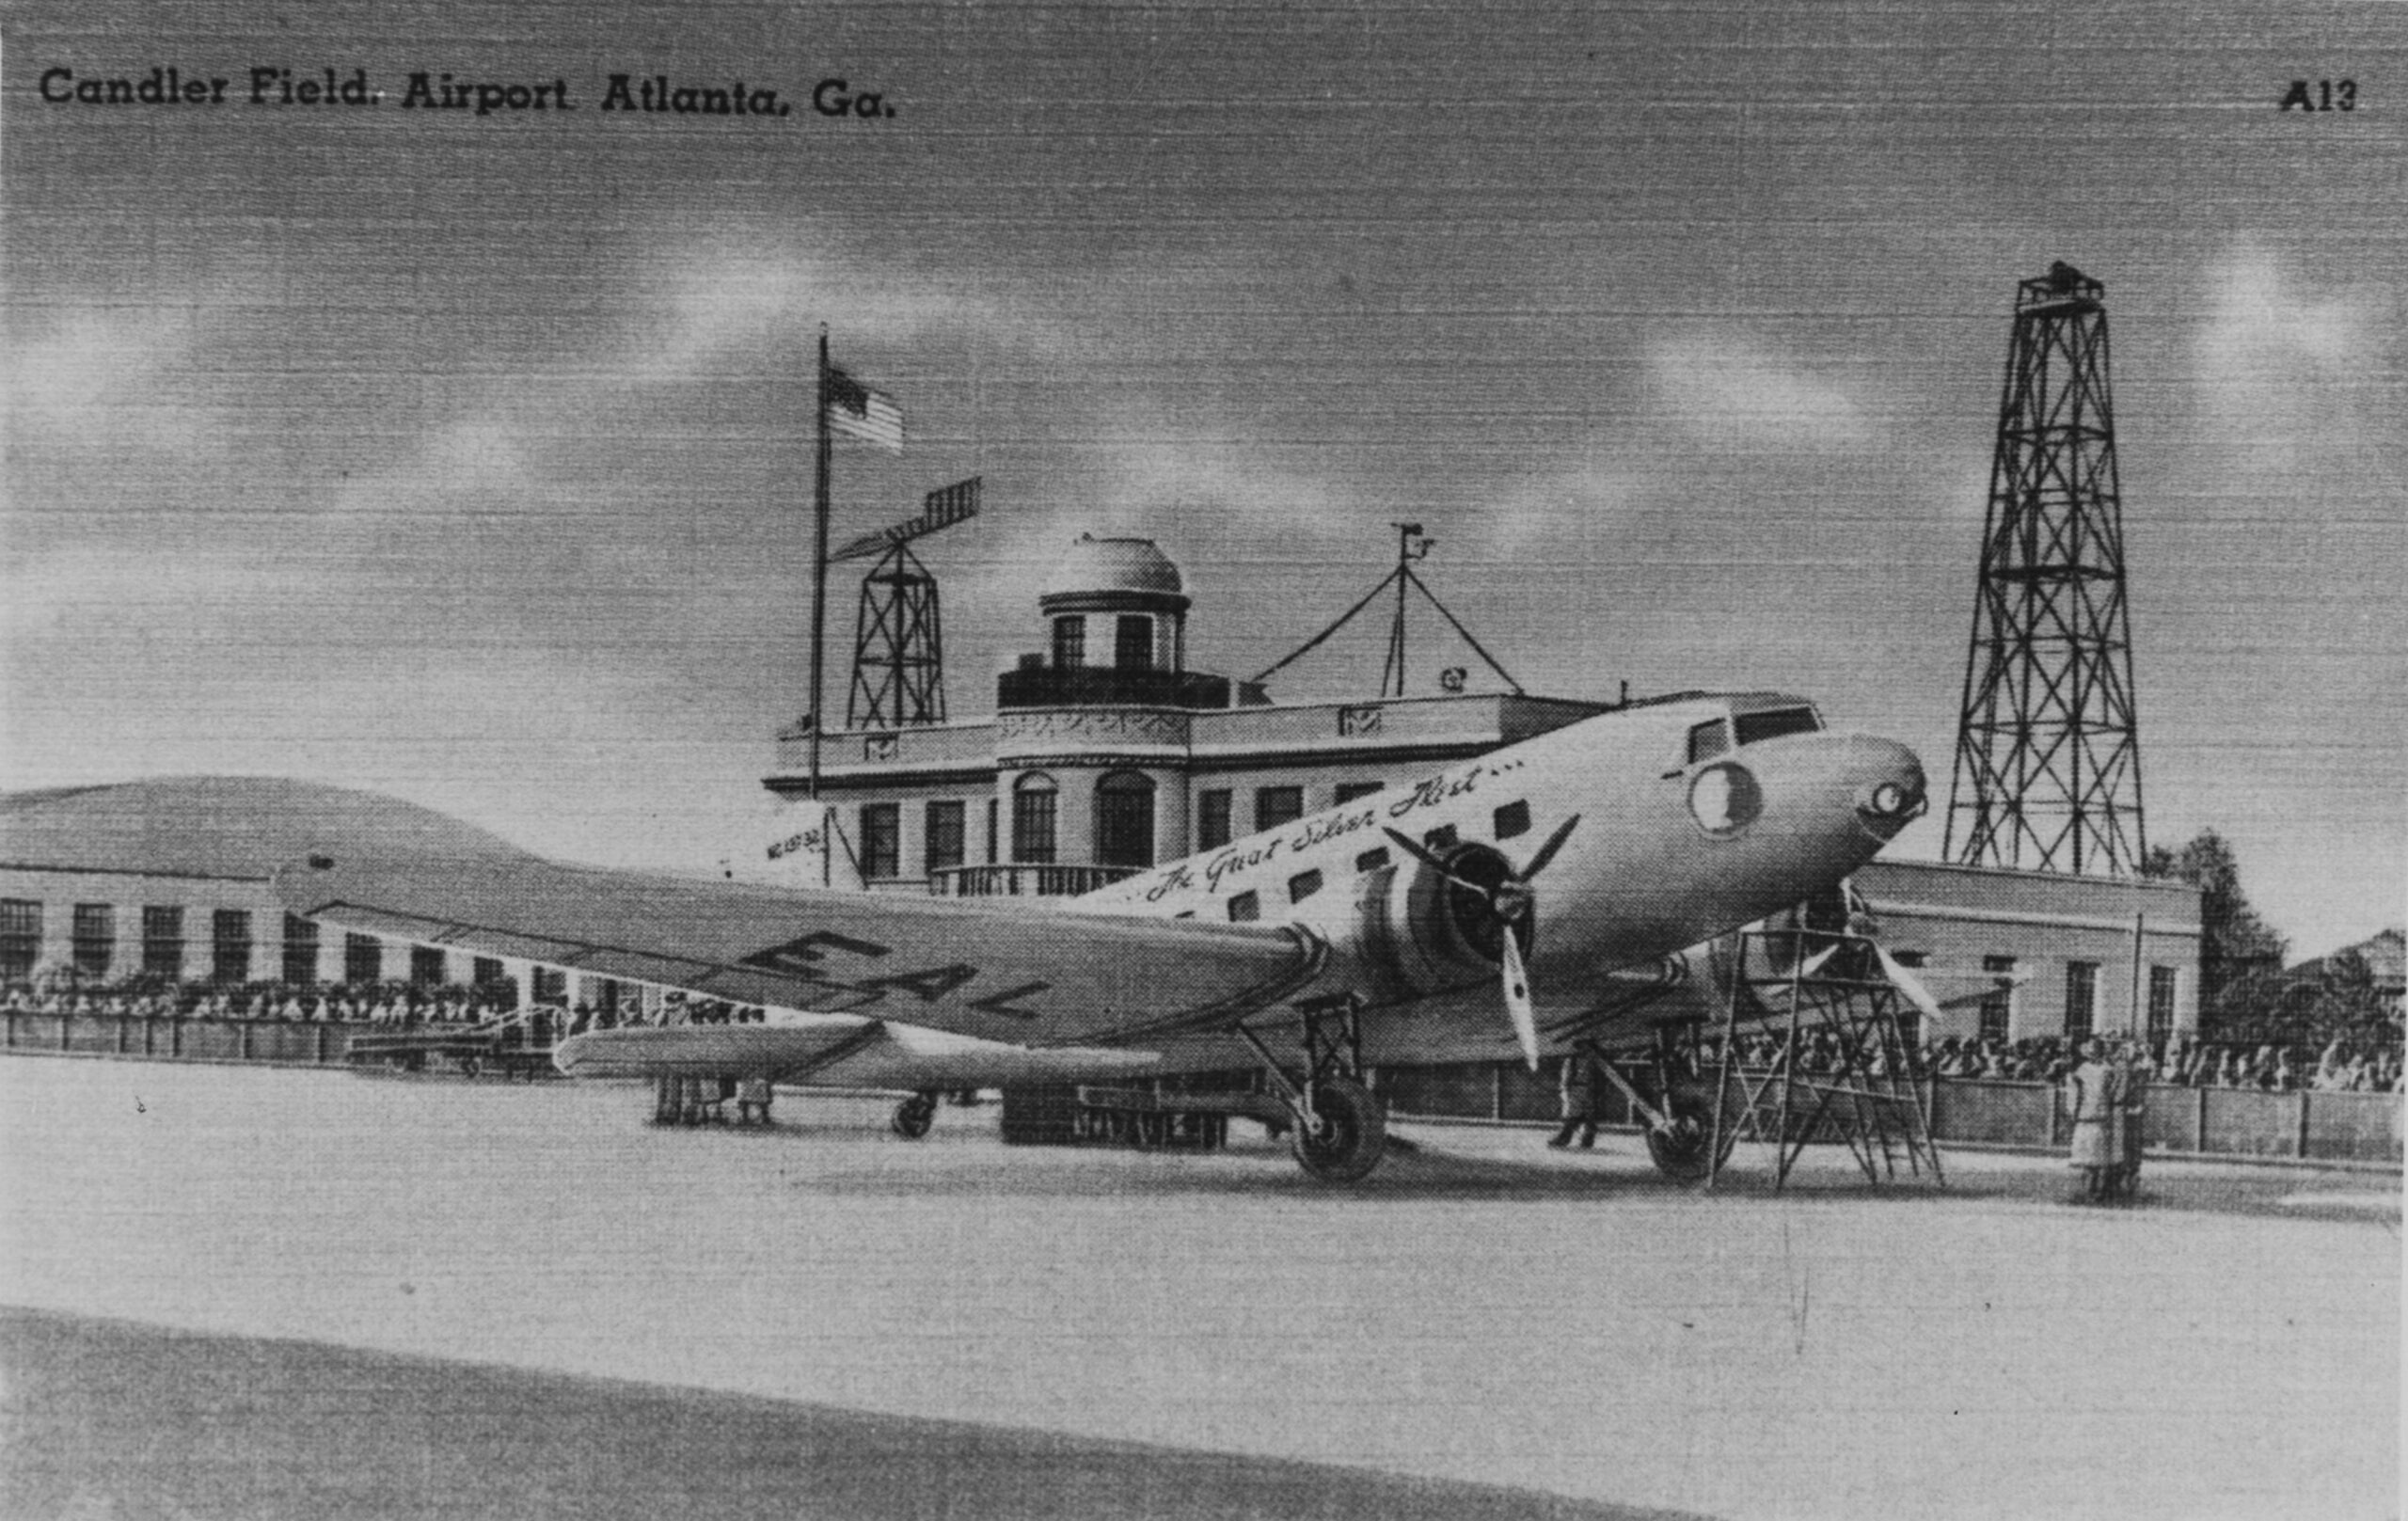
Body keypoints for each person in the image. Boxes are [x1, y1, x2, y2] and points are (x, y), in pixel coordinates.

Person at [2064, 1038, 2115, 1201]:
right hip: (2085, 1115)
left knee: (2100, 1154)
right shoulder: (2082, 1069)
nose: (2093, 1053)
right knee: (2086, 1155)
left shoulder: (2108, 1069)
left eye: (2096, 1049)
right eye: (2090, 1049)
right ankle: (2087, 1189)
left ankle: (2100, 1190)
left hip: (2101, 1114)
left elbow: (2112, 1091)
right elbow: (2075, 1092)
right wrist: (2073, 1111)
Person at [1550, 1047, 1600, 1149]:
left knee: (1582, 1114)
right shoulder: (1575, 1059)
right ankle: (1572, 1138)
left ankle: (1582, 1138)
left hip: (1584, 1088)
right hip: (1580, 1088)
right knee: (1578, 1114)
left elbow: (1567, 1076)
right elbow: (1566, 1076)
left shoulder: (1589, 1059)